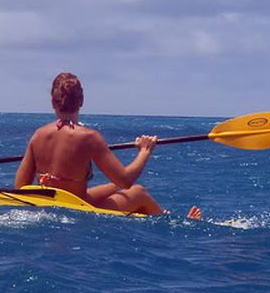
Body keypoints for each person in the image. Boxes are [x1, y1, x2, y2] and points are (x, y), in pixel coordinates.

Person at [16, 72, 201, 218]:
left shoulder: (38, 135)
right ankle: (168, 220)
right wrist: (145, 151)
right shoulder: (88, 137)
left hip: (51, 204)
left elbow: (21, 186)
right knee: (138, 192)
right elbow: (126, 181)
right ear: (81, 101)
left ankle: (152, 212)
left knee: (114, 187)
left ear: (52, 102)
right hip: (78, 208)